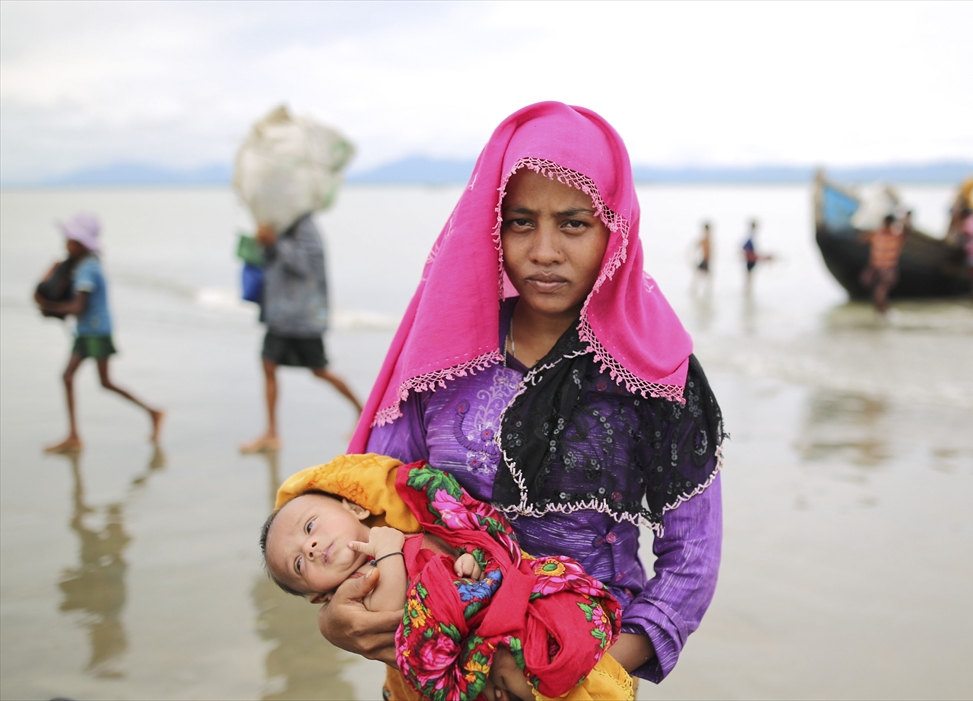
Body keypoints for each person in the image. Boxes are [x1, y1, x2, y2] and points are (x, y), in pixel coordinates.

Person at [317, 102, 726, 699]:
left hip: (580, 670)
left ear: (615, 228)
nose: (544, 251)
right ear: (492, 227)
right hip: (430, 671)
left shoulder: (656, 372)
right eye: (520, 222)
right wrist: (338, 614)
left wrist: (575, 671)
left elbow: (691, 560)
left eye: (574, 223)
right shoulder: (442, 357)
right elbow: (370, 500)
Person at [262, 454, 630, 701]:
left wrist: (470, 560)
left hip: (499, 613)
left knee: (548, 643)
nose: (309, 546)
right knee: (522, 672)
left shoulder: (406, 530)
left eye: (310, 526)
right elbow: (395, 616)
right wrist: (389, 551)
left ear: (356, 506)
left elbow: (461, 553)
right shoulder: (362, 584)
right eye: (298, 564)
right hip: (467, 650)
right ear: (318, 596)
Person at [34, 213, 164, 453]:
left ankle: (153, 412)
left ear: (80, 244)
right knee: (69, 377)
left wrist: (49, 307)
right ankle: (73, 435)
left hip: (96, 331)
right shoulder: (82, 265)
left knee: (104, 381)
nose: (66, 244)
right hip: (87, 330)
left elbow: (78, 307)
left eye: (70, 240)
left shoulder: (87, 269)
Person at [240, 215, 362, 453]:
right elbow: (272, 262)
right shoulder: (281, 225)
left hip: (304, 317)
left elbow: (308, 266)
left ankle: (364, 412)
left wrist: (275, 243)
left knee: (320, 371)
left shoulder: (306, 228)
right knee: (268, 366)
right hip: (279, 315)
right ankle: (271, 433)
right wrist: (263, 245)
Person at [859, 213, 905, 316]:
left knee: (880, 292)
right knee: (874, 290)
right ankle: (883, 312)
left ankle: (884, 314)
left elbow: (906, 231)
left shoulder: (895, 236)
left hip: (888, 269)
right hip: (875, 269)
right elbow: (862, 239)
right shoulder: (876, 234)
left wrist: (904, 220)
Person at [692, 221, 713, 294]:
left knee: (706, 276)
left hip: (707, 260)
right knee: (700, 275)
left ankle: (703, 290)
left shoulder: (708, 238)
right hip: (705, 260)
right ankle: (695, 289)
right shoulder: (705, 238)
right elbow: (698, 246)